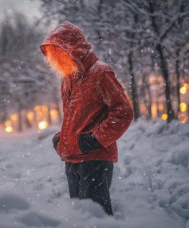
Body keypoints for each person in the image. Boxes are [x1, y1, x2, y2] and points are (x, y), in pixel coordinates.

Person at [40, 22, 134, 216]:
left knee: (96, 218)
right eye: (53, 56)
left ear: (72, 50)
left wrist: (94, 140)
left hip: (95, 158)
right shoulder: (67, 79)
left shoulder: (100, 73)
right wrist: (62, 140)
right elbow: (74, 118)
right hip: (72, 158)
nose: (56, 60)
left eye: (59, 53)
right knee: (80, 217)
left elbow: (123, 112)